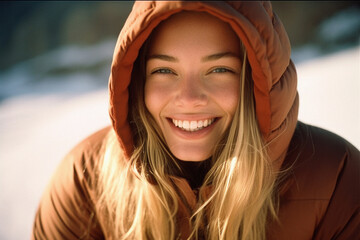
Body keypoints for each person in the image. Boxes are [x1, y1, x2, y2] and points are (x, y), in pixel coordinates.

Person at [32, 1, 360, 240]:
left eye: (219, 70)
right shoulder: (84, 181)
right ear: (136, 84)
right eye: (164, 70)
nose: (189, 98)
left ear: (255, 81)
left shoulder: (337, 180)